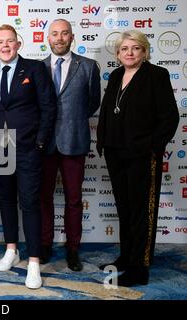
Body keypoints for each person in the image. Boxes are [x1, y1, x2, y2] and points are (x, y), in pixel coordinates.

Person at [96, 30, 179, 287]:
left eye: (135, 48)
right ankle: (127, 256)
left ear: (144, 51)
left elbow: (170, 117)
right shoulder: (117, 75)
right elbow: (110, 111)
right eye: (124, 49)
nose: (129, 53)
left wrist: (153, 148)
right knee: (125, 208)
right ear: (118, 54)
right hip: (115, 152)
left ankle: (140, 268)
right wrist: (103, 141)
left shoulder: (156, 75)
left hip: (142, 155)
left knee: (142, 210)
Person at [0, 24, 57, 289]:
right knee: (5, 200)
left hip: (27, 148)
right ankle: (11, 250)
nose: (5, 46)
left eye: (9, 41)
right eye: (0, 42)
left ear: (18, 44)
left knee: (30, 203)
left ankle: (33, 262)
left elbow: (49, 107)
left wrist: (39, 142)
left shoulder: (35, 69)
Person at [40, 19, 101, 271]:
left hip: (75, 141)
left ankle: (72, 249)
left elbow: (93, 103)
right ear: (48, 38)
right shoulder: (37, 68)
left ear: (72, 37)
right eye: (55, 34)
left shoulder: (87, 66)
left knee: (74, 199)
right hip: (43, 144)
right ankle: (44, 244)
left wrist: (73, 122)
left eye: (64, 33)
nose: (59, 38)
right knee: (43, 198)